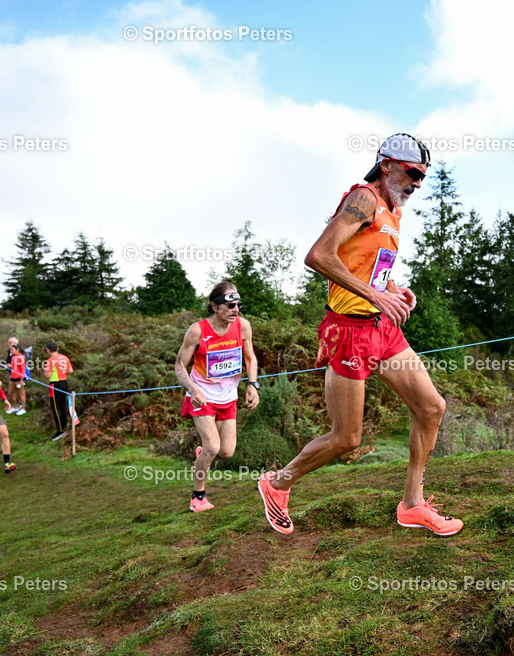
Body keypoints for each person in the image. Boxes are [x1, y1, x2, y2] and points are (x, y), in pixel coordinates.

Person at [257, 133, 462, 537]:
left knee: (431, 408)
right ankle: (277, 482)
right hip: (349, 332)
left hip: (382, 329)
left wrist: (393, 290)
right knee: (347, 438)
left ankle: (412, 505)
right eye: (412, 173)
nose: (417, 183)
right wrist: (374, 295)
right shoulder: (364, 198)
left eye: (423, 177)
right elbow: (318, 256)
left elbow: (368, 267)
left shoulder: (392, 209)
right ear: (387, 164)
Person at [174, 282, 260, 512]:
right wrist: (193, 390)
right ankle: (198, 496)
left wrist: (252, 385)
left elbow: (250, 358)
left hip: (228, 397)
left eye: (239, 305)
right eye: (230, 305)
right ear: (214, 306)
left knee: (226, 451)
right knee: (213, 446)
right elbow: (180, 366)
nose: (236, 309)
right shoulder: (198, 331)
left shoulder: (243, 326)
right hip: (202, 397)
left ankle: (203, 454)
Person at [43, 342, 73, 441]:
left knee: (56, 408)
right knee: (63, 406)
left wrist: (53, 373)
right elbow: (70, 370)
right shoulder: (65, 357)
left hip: (55, 384)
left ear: (48, 350)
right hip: (64, 383)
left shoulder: (50, 360)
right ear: (57, 348)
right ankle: (64, 427)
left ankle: (60, 431)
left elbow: (47, 375)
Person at [8, 344, 28, 414]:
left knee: (21, 394)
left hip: (19, 378)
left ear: (17, 350)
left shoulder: (21, 357)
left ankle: (23, 408)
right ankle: (15, 407)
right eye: (10, 349)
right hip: (12, 377)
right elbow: (14, 366)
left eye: (12, 349)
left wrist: (21, 379)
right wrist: (9, 366)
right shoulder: (13, 356)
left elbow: (22, 369)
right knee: (10, 393)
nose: (11, 351)